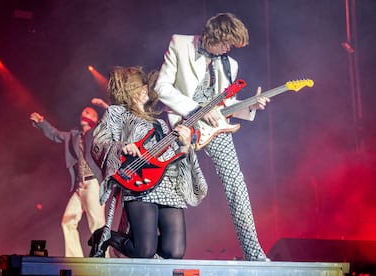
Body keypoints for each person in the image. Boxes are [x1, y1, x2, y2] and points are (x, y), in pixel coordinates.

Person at [154, 12, 271, 261]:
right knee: (165, 184)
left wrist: (251, 106)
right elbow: (162, 87)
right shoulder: (180, 43)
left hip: (215, 129)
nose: (228, 50)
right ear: (216, 34)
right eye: (227, 44)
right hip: (183, 125)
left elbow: (227, 104)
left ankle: (254, 252)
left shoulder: (229, 63)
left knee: (236, 184)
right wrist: (196, 110)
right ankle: (151, 250)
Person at [89, 66, 207, 259]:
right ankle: (104, 236)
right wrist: (122, 147)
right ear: (129, 90)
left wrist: (185, 146)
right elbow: (98, 143)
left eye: (145, 87)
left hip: (168, 184)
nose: (145, 90)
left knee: (174, 251)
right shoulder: (116, 113)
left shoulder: (160, 123)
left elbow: (171, 156)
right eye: (140, 87)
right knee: (144, 251)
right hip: (138, 183)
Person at [30, 107, 108, 257]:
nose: (83, 113)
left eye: (88, 112)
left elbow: (107, 123)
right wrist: (41, 122)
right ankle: (75, 259)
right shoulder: (74, 135)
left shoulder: (98, 134)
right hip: (80, 186)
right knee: (67, 220)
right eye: (83, 111)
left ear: (94, 117)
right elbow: (55, 135)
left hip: (94, 184)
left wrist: (104, 106)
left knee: (97, 225)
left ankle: (104, 260)